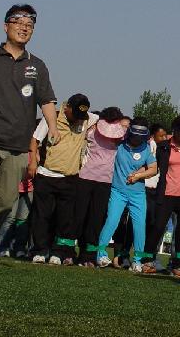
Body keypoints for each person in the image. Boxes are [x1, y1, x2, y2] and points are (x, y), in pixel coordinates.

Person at [0, 5, 58, 232]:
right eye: (19, 23)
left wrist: (53, 127)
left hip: (19, 147)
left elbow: (47, 99)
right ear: (6, 26)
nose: (24, 28)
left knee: (5, 202)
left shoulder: (37, 65)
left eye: (29, 25)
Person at [29, 93, 94, 264]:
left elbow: (105, 122)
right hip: (46, 174)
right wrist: (33, 162)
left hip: (70, 178)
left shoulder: (86, 119)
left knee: (64, 219)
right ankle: (40, 250)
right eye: (75, 114)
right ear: (68, 107)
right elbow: (35, 140)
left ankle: (57, 252)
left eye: (81, 115)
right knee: (42, 216)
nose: (78, 118)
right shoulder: (53, 117)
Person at [142, 114, 180, 277]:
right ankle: (147, 260)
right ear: (174, 130)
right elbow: (152, 167)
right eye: (179, 131)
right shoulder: (164, 147)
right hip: (166, 194)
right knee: (157, 227)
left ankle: (178, 265)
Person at [97, 118, 157, 273]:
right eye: (135, 134)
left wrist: (138, 176)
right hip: (118, 191)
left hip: (138, 194)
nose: (137, 138)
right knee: (112, 220)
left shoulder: (146, 148)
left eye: (140, 135)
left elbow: (153, 169)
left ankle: (137, 261)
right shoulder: (120, 144)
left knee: (139, 226)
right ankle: (101, 254)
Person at [73, 107, 127, 266]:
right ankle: (68, 251)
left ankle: (88, 256)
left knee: (96, 220)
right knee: (79, 217)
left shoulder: (121, 137)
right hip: (85, 177)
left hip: (105, 182)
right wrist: (94, 122)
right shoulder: (90, 130)